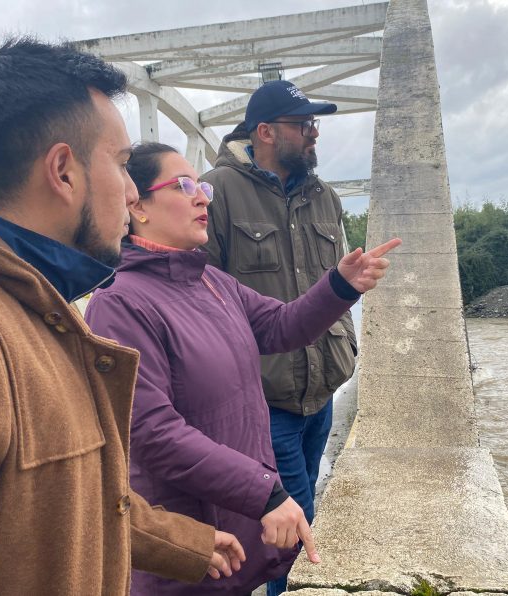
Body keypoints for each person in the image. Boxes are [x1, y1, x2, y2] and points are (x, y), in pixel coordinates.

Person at [0, 38, 245, 594]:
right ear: (62, 170)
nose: (131, 193)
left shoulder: (26, 305)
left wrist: (184, 543)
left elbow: (56, 493)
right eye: (124, 165)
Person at [85, 142, 400, 595]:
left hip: (237, 523)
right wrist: (266, 494)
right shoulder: (119, 304)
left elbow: (279, 327)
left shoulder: (211, 280)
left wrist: (340, 285)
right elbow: (152, 432)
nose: (203, 197)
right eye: (185, 186)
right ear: (138, 206)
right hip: (191, 539)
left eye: (203, 186)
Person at [200, 80, 354, 595]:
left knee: (301, 508)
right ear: (265, 132)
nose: (314, 135)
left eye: (315, 125)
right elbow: (196, 297)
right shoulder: (215, 193)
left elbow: (336, 283)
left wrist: (345, 347)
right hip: (266, 399)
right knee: (294, 517)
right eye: (303, 125)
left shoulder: (324, 196)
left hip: (322, 390)